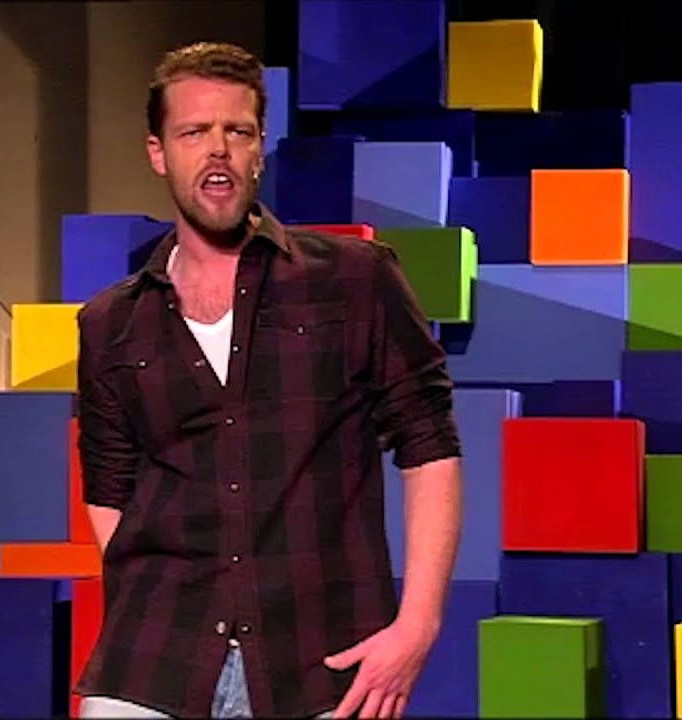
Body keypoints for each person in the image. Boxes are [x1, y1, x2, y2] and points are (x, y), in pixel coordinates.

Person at [72, 41, 463, 719]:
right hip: (154, 666)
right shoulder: (111, 323)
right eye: (194, 132)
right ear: (158, 153)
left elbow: (429, 446)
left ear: (259, 149)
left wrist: (418, 625)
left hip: (323, 662)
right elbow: (110, 491)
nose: (217, 149)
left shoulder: (355, 279)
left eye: (238, 131)